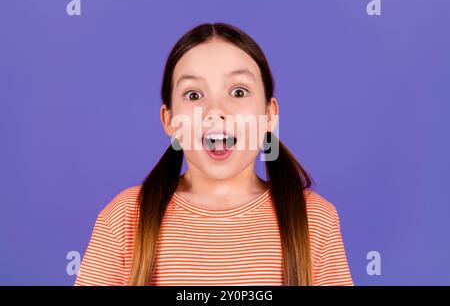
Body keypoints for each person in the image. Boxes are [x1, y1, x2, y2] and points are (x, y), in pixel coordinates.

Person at [75, 22, 353, 286]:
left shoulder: (314, 219)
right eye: (194, 95)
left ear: (270, 114)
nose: (215, 110)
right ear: (168, 120)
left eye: (239, 91)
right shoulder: (125, 217)